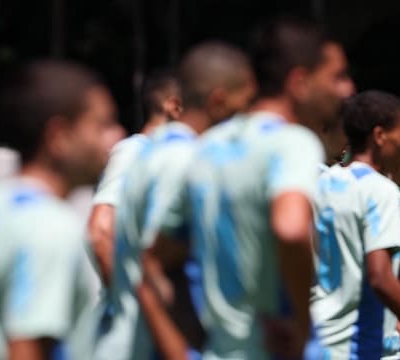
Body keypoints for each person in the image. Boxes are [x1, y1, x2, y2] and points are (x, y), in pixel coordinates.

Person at [154, 17, 354, 359]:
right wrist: (303, 327)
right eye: (337, 77)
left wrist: (186, 339)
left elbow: (153, 258)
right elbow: (290, 230)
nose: (346, 89)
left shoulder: (207, 148)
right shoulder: (293, 143)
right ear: (300, 82)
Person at [93, 41, 256, 360]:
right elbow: (110, 237)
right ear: (218, 101)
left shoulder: (161, 151)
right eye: (246, 103)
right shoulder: (178, 157)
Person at [311, 90, 400, 360]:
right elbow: (381, 276)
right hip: (366, 346)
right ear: (379, 137)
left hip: (320, 341)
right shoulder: (380, 191)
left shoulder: (324, 184)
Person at [0, 59, 123, 359]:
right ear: (60, 137)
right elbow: (26, 350)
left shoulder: (3, 204)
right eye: (101, 125)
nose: (116, 136)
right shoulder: (52, 230)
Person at [88, 68, 182, 286]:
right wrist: (126, 296)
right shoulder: (134, 151)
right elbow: (101, 230)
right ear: (174, 106)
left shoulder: (168, 156)